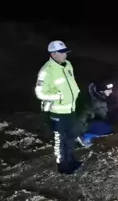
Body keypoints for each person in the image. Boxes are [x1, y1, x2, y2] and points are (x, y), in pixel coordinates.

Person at [34, 40, 82, 174]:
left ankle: (71, 160)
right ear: (53, 54)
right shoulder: (46, 71)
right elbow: (40, 93)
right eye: (62, 53)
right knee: (60, 140)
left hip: (70, 109)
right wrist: (60, 96)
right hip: (58, 112)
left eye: (65, 52)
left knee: (70, 137)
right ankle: (63, 166)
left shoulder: (68, 65)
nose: (65, 55)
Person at [74, 81, 118, 147]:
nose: (111, 91)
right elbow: (108, 118)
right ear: (101, 91)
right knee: (109, 127)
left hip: (75, 121)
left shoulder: (92, 95)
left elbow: (105, 108)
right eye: (108, 90)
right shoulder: (96, 102)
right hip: (80, 126)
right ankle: (83, 137)